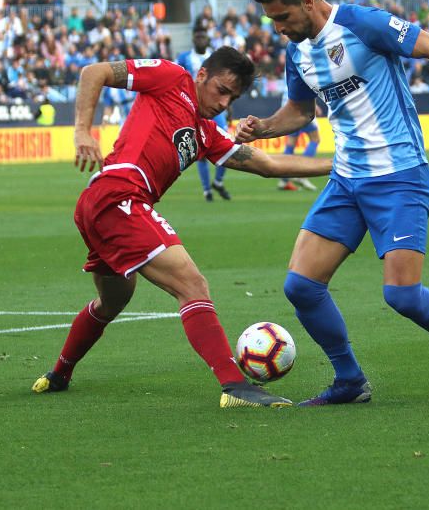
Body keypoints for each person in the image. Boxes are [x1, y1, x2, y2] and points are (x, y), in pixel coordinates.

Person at [237, 0, 429, 406]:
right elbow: (300, 112)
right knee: (300, 286)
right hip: (347, 180)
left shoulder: (361, 23)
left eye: (282, 17)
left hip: (399, 175)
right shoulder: (296, 51)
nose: (278, 27)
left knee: (402, 296)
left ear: (307, 1)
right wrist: (263, 127)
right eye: (271, 20)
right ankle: (350, 380)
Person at [32, 47, 333, 408]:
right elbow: (93, 71)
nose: (224, 102)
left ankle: (59, 374)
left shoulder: (205, 133)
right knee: (192, 285)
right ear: (202, 75)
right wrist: (82, 132)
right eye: (222, 90)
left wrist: (336, 165)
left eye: (232, 98)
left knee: (114, 299)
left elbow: (268, 165)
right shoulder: (171, 78)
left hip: (105, 205)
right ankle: (235, 386)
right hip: (119, 195)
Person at [177, 29, 232, 201]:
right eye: (198, 36)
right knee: (199, 148)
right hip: (194, 108)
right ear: (193, 39)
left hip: (215, 108)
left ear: (207, 39)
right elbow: (178, 80)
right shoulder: (184, 58)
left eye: (203, 36)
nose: (200, 39)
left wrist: (228, 107)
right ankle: (207, 189)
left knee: (229, 144)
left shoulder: (215, 59)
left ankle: (219, 181)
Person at [277, 84, 322, 192]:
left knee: (291, 142)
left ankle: (284, 180)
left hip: (286, 107)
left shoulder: (288, 69)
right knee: (315, 139)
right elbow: (303, 84)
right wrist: (314, 105)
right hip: (300, 107)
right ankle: (302, 175)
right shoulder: (303, 67)